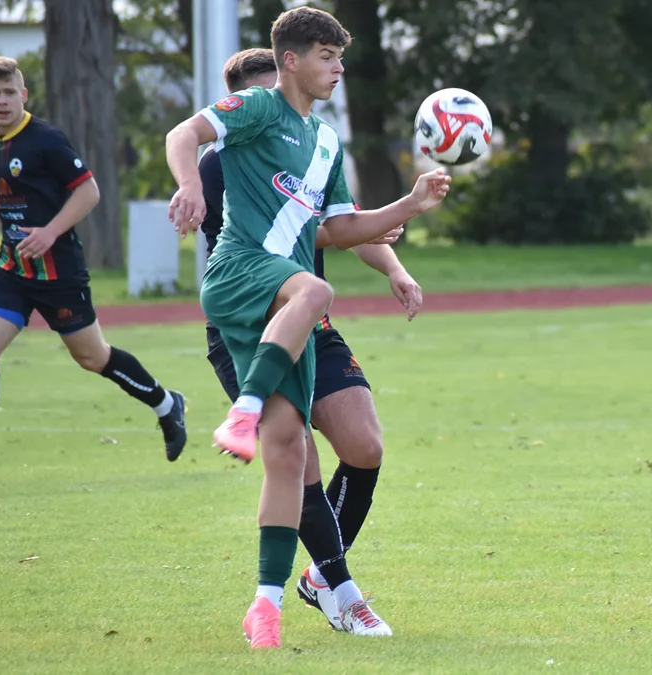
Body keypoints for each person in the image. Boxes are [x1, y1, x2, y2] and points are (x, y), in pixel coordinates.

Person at [164, 7, 449, 649]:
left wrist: (408, 210)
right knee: (294, 440)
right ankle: (335, 589)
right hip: (248, 297)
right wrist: (188, 186)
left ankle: (285, 597)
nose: (339, 69)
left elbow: (337, 227)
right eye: (327, 56)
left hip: (301, 312)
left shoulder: (322, 141)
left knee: (334, 449)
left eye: (340, 58)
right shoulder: (248, 126)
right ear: (287, 65)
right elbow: (186, 137)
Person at [0, 56, 187, 482]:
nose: (2, 102)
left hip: (58, 272)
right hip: (13, 268)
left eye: (10, 93)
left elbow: (89, 192)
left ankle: (167, 404)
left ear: (24, 95)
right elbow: (5, 188)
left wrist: (50, 232)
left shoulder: (46, 140)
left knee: (92, 357)